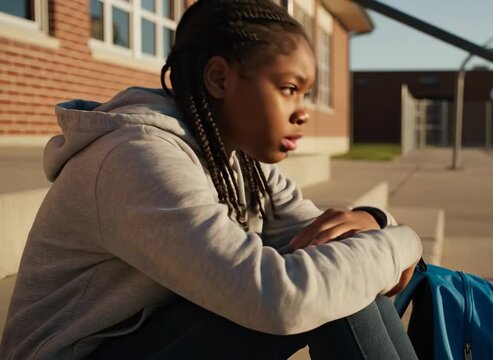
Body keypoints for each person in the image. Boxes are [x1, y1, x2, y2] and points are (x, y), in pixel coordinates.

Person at [0, 0, 422, 359]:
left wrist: (373, 219)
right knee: (332, 293)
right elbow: (280, 300)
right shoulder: (135, 159)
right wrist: (404, 243)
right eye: (288, 88)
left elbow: (323, 240)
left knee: (343, 279)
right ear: (220, 79)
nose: (303, 111)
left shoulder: (241, 161)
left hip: (147, 335)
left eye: (306, 93)